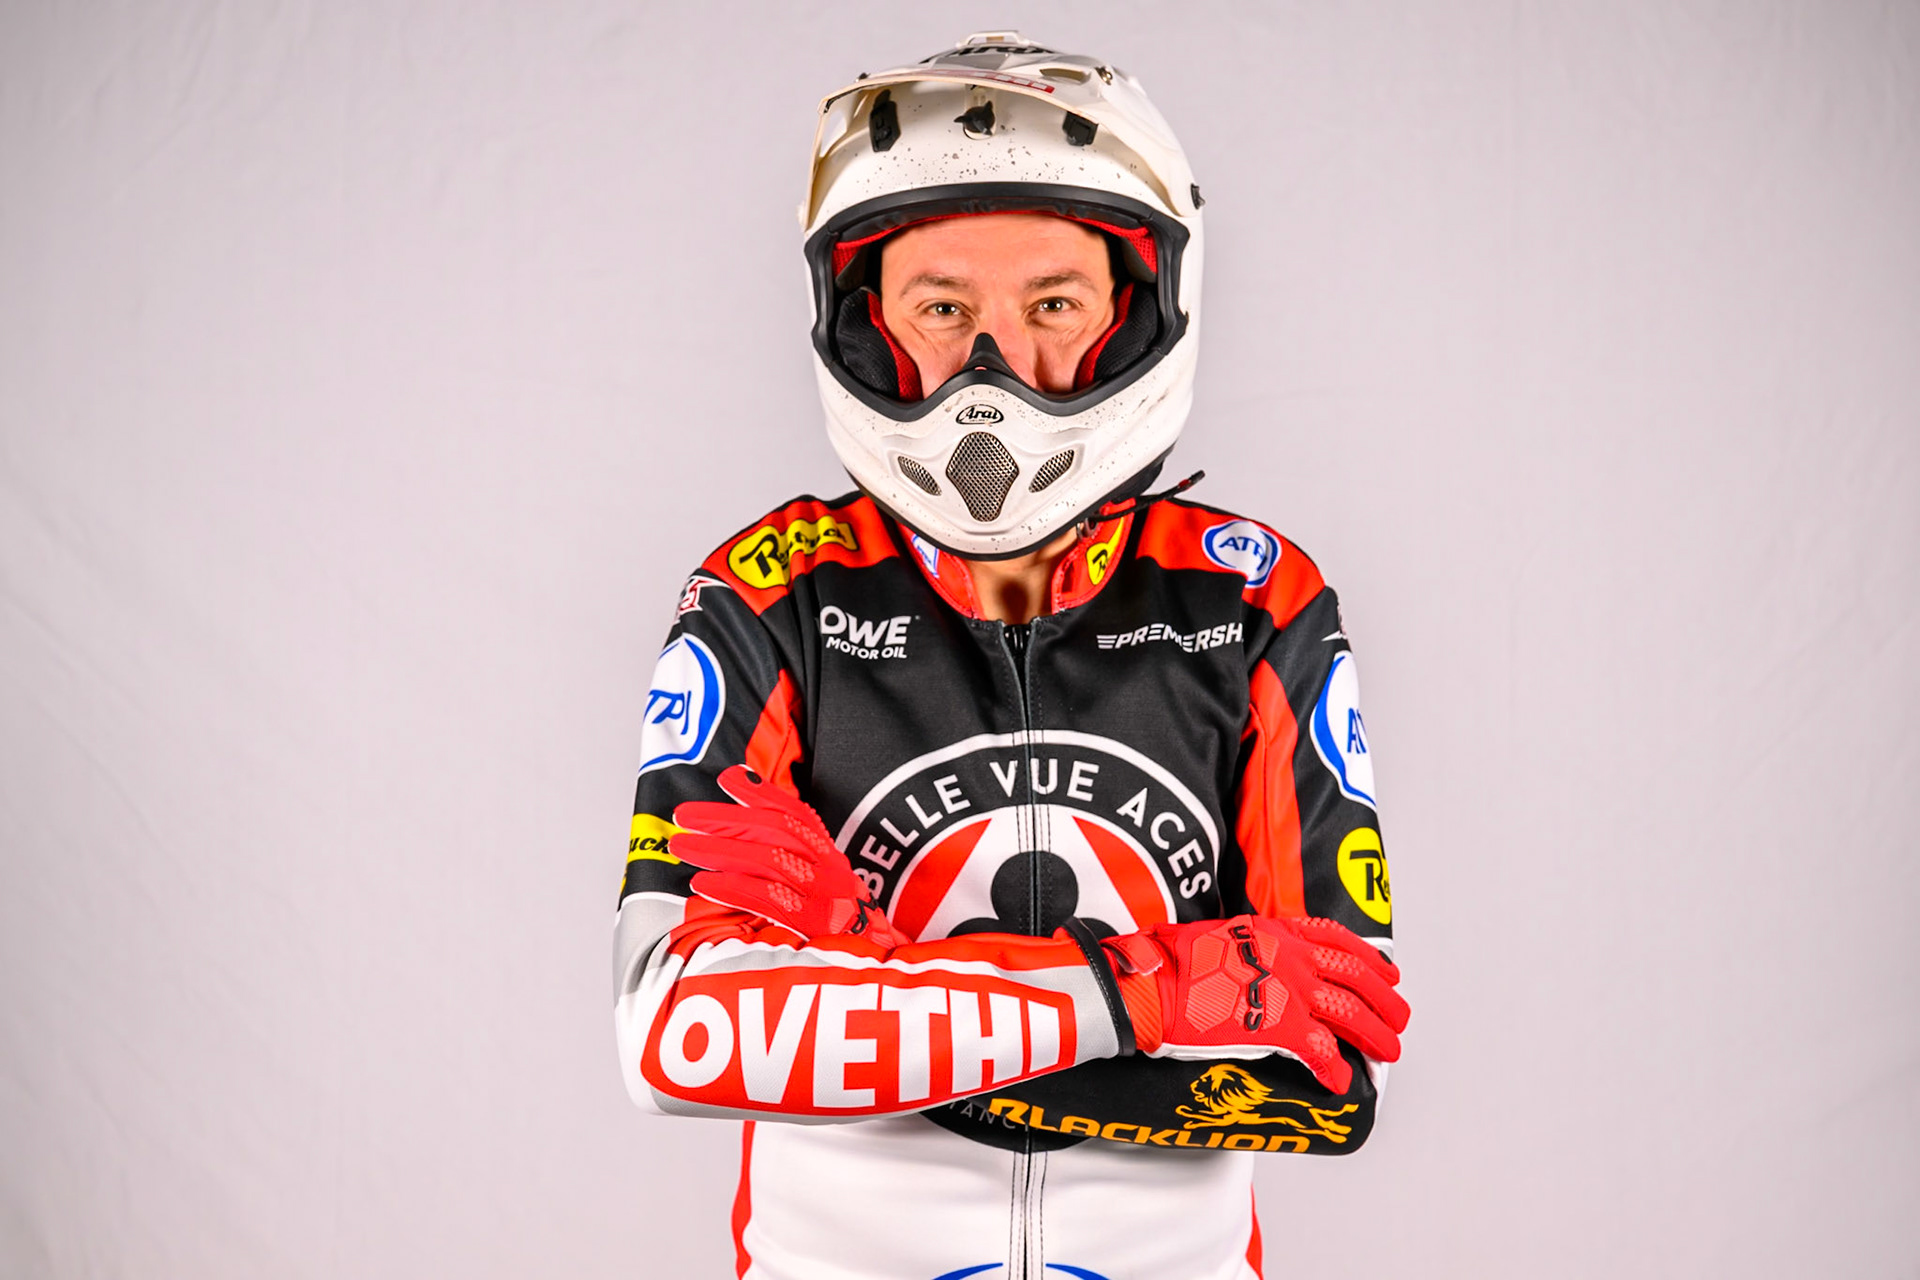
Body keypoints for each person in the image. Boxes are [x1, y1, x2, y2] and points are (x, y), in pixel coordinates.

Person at [614, 33, 1409, 1280]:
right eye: (943, 308)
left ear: (1133, 313)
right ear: (868, 323)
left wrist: (874, 993)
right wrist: (1150, 990)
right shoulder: (767, 594)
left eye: (1053, 303)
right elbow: (681, 1038)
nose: (993, 372)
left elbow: (1327, 1073)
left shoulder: (1254, 597)